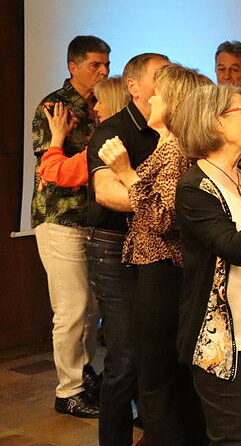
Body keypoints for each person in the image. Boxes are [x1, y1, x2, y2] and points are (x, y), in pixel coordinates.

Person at [98, 64, 209, 444]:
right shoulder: (169, 146)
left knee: (158, 379)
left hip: (163, 271)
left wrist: (126, 172)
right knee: (164, 378)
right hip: (157, 269)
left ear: (173, 103)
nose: (151, 99)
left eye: (158, 93)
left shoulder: (176, 149)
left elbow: (163, 216)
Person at [175, 83, 241, 446]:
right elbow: (236, 249)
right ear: (216, 123)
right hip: (221, 340)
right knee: (237, 438)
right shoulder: (195, 186)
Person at [87, 52, 169, 445]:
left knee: (157, 351)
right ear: (133, 86)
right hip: (115, 247)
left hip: (156, 249)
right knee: (124, 357)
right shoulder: (112, 131)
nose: (168, 80)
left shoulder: (170, 126)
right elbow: (106, 192)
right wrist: (164, 202)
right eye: (160, 75)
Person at [31, 35, 110, 419]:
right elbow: (55, 166)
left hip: (93, 221)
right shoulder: (55, 106)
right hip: (60, 218)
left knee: (90, 306)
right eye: (95, 65)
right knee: (71, 307)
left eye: (107, 64)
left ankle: (84, 373)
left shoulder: (104, 106)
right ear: (72, 66)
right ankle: (69, 390)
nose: (103, 72)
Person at [38, 77, 129, 189]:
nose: (95, 108)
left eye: (101, 101)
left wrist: (57, 137)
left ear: (113, 104)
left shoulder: (108, 143)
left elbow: (53, 172)